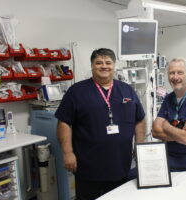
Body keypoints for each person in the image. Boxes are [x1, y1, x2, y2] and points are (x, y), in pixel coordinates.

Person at [55, 48, 146, 200]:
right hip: (88, 166)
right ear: (92, 66)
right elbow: (64, 123)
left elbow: (139, 120)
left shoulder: (127, 90)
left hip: (120, 164)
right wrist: (67, 153)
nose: (104, 66)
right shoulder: (77, 91)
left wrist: (140, 145)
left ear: (114, 65)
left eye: (108, 62)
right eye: (99, 63)